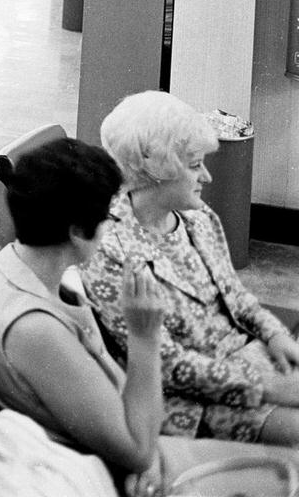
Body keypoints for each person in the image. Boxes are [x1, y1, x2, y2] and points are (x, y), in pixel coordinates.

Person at [83, 91, 299, 445]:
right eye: (196, 165)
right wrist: (266, 387)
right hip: (188, 402)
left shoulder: (198, 218)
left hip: (245, 360)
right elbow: (165, 364)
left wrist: (274, 335)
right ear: (157, 169)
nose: (208, 177)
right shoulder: (109, 250)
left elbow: (234, 294)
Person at [0, 137, 170, 479]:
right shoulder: (35, 328)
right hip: (97, 473)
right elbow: (137, 452)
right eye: (107, 216)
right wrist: (144, 337)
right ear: (77, 231)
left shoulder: (17, 269)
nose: (111, 226)